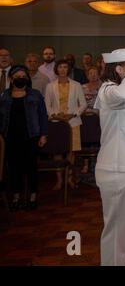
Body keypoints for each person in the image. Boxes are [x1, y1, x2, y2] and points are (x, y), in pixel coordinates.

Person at [94, 48, 125, 266]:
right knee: (115, 228)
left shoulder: (121, 90)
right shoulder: (108, 90)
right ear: (119, 69)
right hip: (115, 169)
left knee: (123, 225)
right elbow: (123, 94)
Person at [0, 65, 48, 210]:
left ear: (27, 79)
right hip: (10, 137)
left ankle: (33, 196)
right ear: (11, 78)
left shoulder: (35, 94)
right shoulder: (4, 96)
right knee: (14, 168)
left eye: (23, 77)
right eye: (17, 77)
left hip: (31, 136)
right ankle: (16, 196)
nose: (20, 79)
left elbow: (42, 116)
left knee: (31, 167)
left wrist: (43, 135)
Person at [45, 59, 87, 190]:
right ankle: (59, 180)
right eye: (60, 67)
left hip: (73, 122)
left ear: (68, 70)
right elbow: (47, 105)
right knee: (57, 151)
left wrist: (73, 114)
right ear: (56, 69)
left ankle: (69, 178)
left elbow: (84, 104)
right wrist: (54, 115)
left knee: (71, 152)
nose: (62, 69)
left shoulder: (77, 85)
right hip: (56, 122)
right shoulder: (50, 86)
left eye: (65, 67)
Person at [80, 66, 102, 174]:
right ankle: (85, 164)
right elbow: (78, 103)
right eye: (90, 73)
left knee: (98, 142)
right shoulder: (81, 87)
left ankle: (98, 164)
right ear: (87, 75)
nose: (93, 75)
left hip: (98, 118)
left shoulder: (103, 87)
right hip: (84, 118)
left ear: (99, 75)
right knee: (85, 142)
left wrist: (95, 112)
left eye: (95, 73)